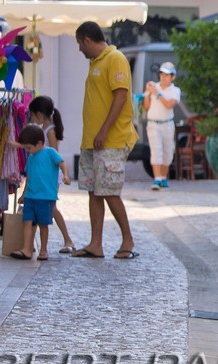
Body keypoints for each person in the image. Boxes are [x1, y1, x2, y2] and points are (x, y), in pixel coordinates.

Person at [70, 21, 138, 260]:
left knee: (109, 191)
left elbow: (121, 97)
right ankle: (95, 243)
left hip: (111, 139)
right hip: (92, 140)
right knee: (93, 191)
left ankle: (127, 240)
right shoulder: (95, 62)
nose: (80, 50)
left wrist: (103, 131)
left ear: (88, 40)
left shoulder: (115, 58)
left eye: (80, 44)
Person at [26, 96, 77, 253]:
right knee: (37, 205)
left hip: (48, 178)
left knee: (51, 208)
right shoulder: (45, 130)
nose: (32, 119)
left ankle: (68, 240)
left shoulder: (50, 131)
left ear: (40, 115)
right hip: (43, 177)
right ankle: (31, 243)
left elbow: (54, 154)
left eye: (32, 116)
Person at [13, 124, 71, 261]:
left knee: (43, 224)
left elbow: (62, 163)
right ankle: (27, 249)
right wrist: (23, 194)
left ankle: (43, 250)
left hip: (45, 197)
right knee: (27, 221)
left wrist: (66, 175)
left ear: (39, 143)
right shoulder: (31, 157)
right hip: (31, 196)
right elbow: (29, 177)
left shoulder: (50, 152)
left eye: (29, 148)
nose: (27, 151)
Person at [144, 62, 183, 190]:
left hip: (167, 124)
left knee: (168, 151)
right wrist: (148, 93)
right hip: (153, 124)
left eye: (167, 75)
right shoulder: (153, 87)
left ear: (173, 77)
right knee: (156, 150)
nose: (163, 77)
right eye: (162, 74)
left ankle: (163, 177)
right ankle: (157, 179)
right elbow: (146, 106)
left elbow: (169, 105)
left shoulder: (175, 91)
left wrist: (156, 93)